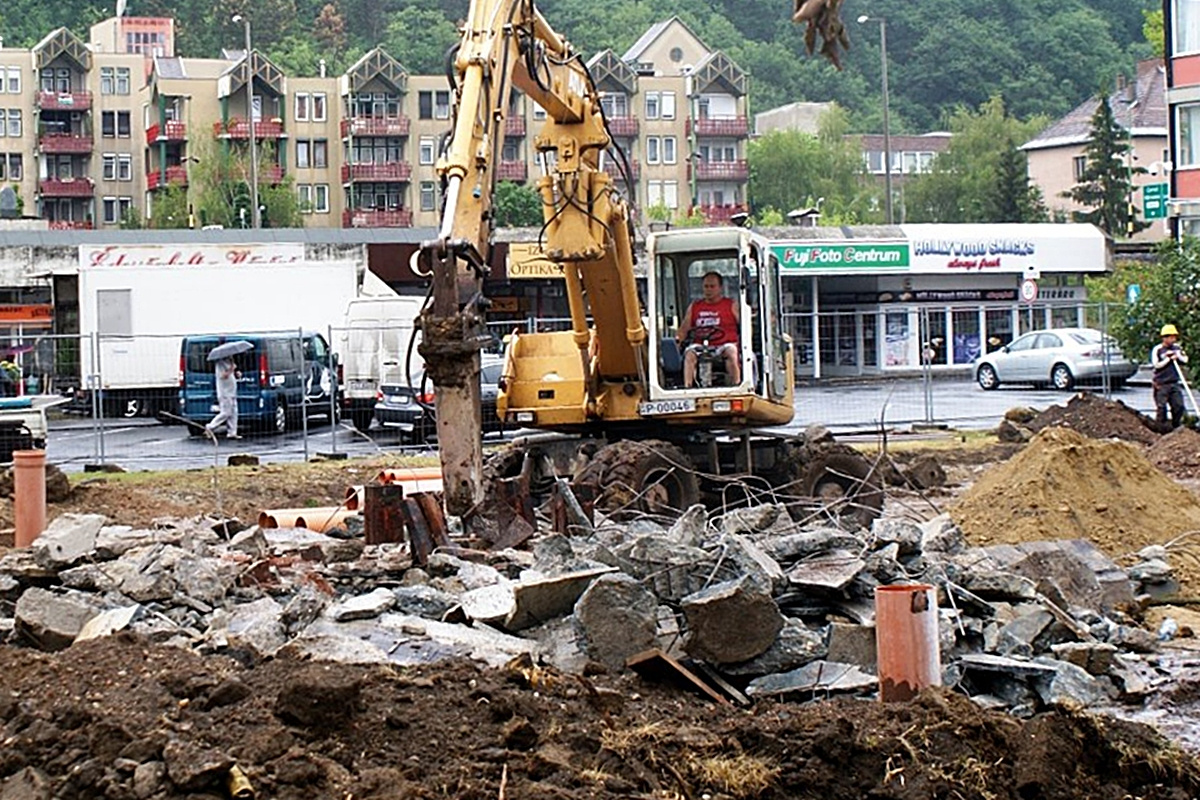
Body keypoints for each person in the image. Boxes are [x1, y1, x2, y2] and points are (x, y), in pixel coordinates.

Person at [676, 271, 740, 388]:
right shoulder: (695, 306)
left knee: (732, 352)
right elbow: (684, 328)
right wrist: (677, 342)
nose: (708, 290)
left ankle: (736, 384)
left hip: (725, 344)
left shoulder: (731, 305)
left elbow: (744, 325)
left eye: (712, 286)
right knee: (689, 354)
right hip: (701, 344)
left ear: (720, 288)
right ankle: (688, 386)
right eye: (706, 287)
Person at [1151, 323, 1189, 429]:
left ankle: (1176, 427)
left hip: (1174, 382)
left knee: (1178, 406)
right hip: (1161, 384)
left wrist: (1177, 356)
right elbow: (1157, 365)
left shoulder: (1177, 348)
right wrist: (1168, 359)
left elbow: (1185, 360)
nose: (1173, 339)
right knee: (1161, 408)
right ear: (1165, 338)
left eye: (1174, 337)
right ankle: (1160, 429)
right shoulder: (1158, 349)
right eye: (1171, 337)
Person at [205, 356, 242, 440]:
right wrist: (231, 369)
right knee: (226, 412)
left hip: (232, 391)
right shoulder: (220, 363)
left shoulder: (230, 363)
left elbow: (231, 375)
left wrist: (236, 374)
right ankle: (210, 427)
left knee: (234, 412)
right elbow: (223, 376)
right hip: (224, 392)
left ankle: (232, 432)